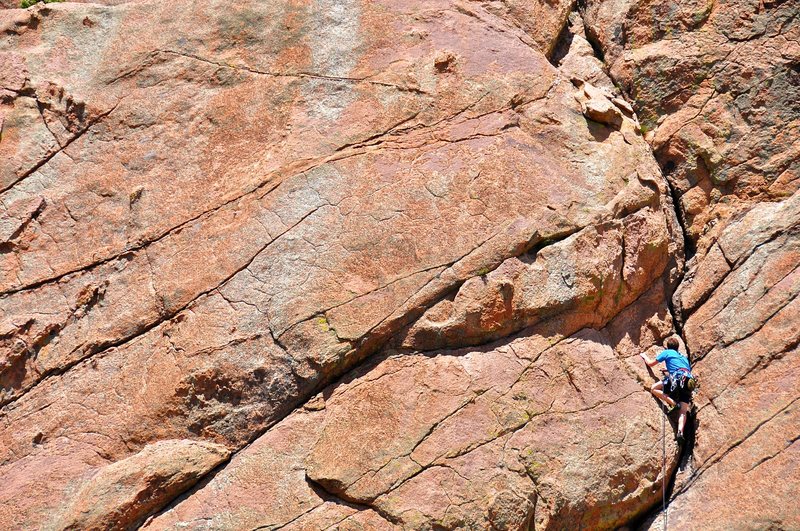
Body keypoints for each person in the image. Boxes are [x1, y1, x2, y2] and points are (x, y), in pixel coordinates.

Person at [640, 337, 694, 445]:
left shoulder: (667, 352)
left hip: (677, 379)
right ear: (677, 348)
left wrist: (644, 356)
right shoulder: (683, 358)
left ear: (668, 347)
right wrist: (668, 370)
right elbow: (681, 368)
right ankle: (680, 432)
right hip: (688, 381)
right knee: (683, 411)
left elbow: (650, 364)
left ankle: (673, 404)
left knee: (653, 389)